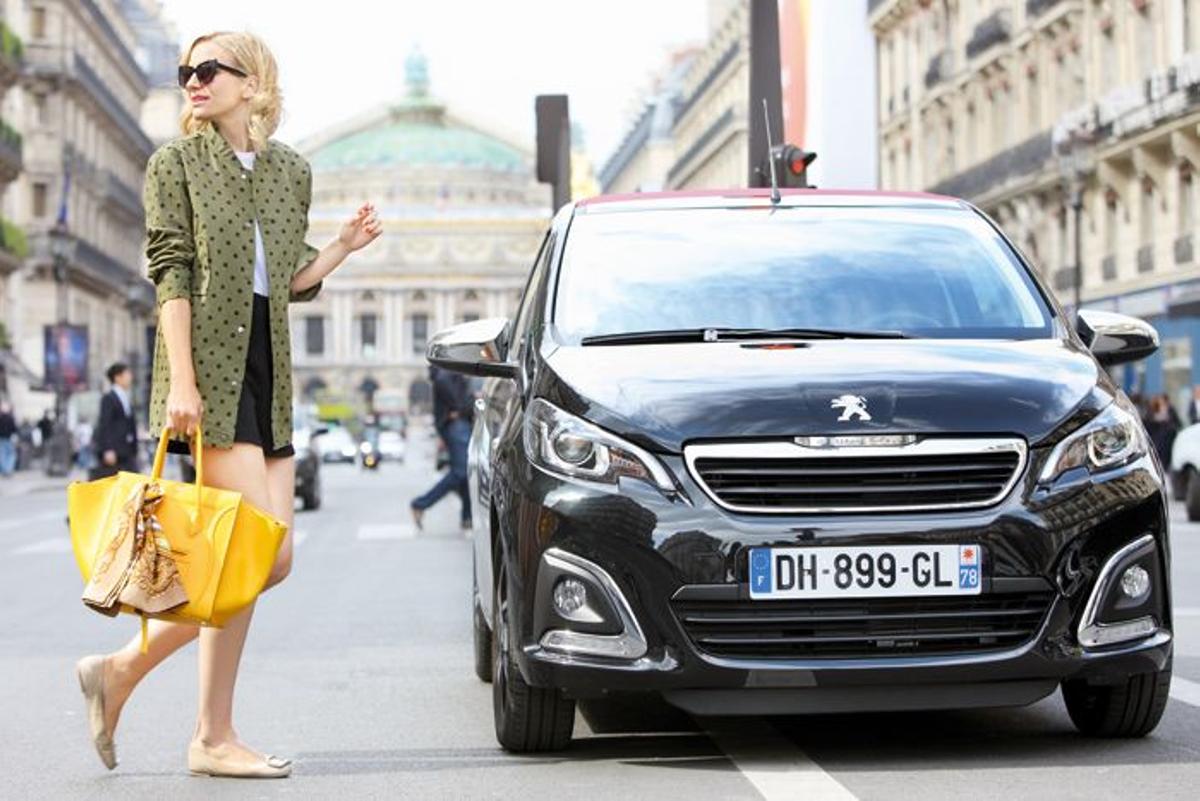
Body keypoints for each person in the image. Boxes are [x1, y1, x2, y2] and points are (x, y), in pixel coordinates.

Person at [73, 31, 381, 779]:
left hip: (269, 375)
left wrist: (338, 249)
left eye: (208, 70)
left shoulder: (289, 171)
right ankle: (201, 728)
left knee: (264, 560)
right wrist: (182, 382)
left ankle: (137, 682)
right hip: (207, 373)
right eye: (186, 73)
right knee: (251, 551)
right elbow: (170, 274)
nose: (192, 82)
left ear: (253, 82)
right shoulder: (173, 163)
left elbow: (288, 279)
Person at [410, 365, 474, 531]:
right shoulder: (447, 370)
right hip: (456, 424)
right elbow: (443, 381)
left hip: (456, 423)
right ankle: (420, 503)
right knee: (460, 471)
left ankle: (467, 516)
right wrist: (460, 407)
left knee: (465, 471)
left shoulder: (448, 369)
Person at [91, 362, 139, 478]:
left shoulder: (125, 397)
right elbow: (105, 424)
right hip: (115, 452)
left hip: (127, 451)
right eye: (127, 374)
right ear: (118, 377)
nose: (130, 377)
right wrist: (108, 449)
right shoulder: (108, 398)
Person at [1144, 394, 1182, 467]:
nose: (1162, 403)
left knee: (1165, 456)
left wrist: (1168, 423)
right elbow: (1147, 423)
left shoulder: (1171, 410)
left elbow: (1178, 423)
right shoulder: (1152, 410)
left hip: (1168, 438)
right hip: (1156, 439)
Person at [0, 401, 16, 477]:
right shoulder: (11, 418)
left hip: (1, 438)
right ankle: (8, 470)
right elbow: (14, 429)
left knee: (2, 455)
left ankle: (4, 470)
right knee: (11, 455)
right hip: (8, 438)